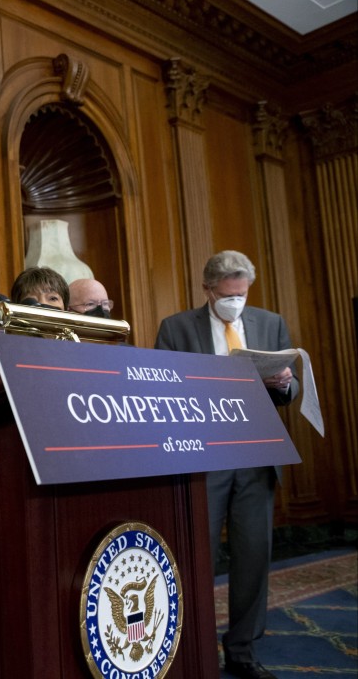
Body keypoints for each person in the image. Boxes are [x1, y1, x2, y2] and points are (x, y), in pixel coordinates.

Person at [155, 250, 297, 679]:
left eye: (242, 293)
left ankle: (242, 651)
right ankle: (190, 645)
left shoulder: (270, 323)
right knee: (196, 555)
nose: (236, 300)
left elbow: (287, 396)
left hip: (255, 455)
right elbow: (163, 391)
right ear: (207, 289)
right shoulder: (176, 328)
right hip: (204, 455)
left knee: (254, 555)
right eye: (227, 294)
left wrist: (285, 384)